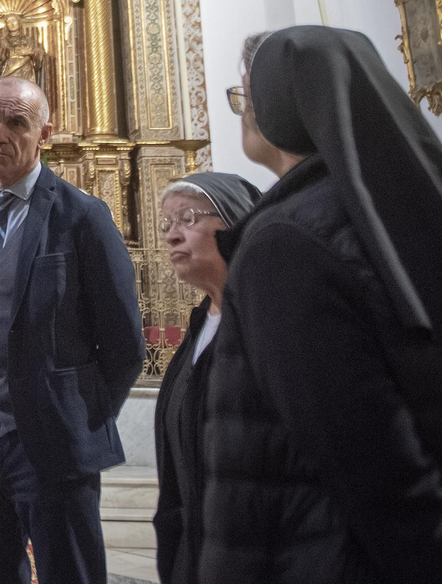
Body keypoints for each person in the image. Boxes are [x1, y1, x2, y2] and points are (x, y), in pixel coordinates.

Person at [201, 27, 442, 583]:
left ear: (281, 109)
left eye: (246, 95)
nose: (243, 111)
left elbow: (378, 478)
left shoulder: (284, 245)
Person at [0, 76, 146, 584]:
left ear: (44, 134)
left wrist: (78, 418)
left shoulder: (82, 216)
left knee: (69, 574)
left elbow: (124, 344)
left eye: (17, 122)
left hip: (53, 444)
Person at [150, 172, 261, 584]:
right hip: (196, 544)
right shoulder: (202, 322)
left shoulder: (262, 321)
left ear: (234, 223)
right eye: (166, 224)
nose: (172, 236)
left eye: (187, 219)